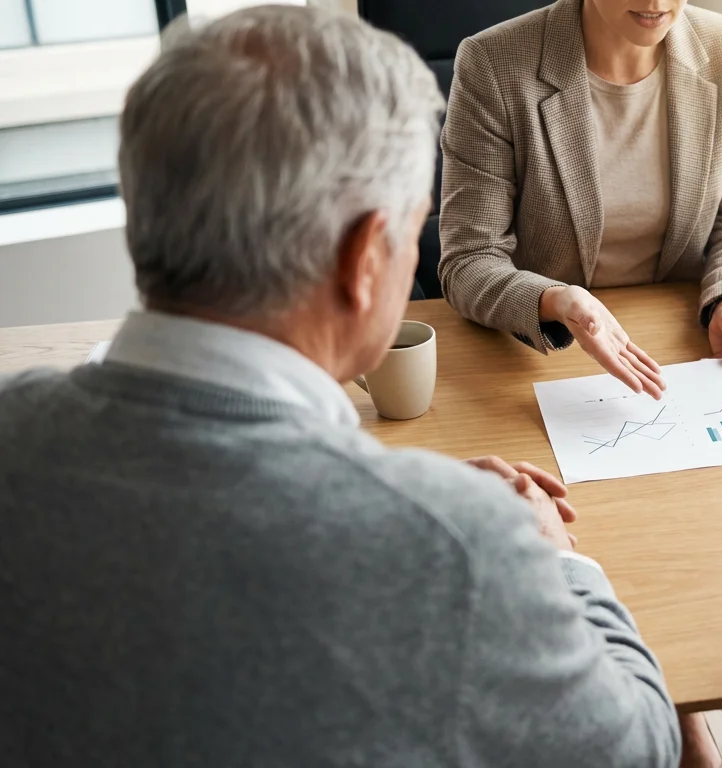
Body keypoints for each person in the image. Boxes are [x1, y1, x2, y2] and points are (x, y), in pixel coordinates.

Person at [0, 7, 686, 767]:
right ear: (365, 258)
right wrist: (552, 560)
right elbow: (639, 746)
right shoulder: (456, 551)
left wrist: (389, 494)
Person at [439, 0, 722, 398]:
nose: (656, 3)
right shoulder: (494, 63)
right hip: (548, 355)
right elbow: (469, 259)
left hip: (684, 346)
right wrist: (556, 300)